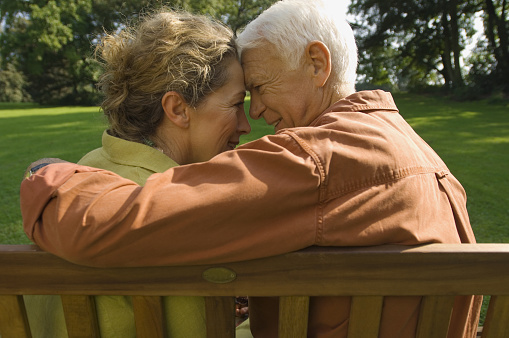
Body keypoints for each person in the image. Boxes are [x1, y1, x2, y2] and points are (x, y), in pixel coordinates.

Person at [20, 0, 482, 337]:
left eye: (258, 88)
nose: (255, 114)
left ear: (317, 63)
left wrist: (45, 171)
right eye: (242, 98)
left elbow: (99, 223)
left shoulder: (315, 161)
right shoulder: (418, 151)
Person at [23, 9, 252, 338]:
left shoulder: (80, 171)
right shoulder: (177, 207)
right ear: (177, 109)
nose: (245, 125)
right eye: (235, 104)